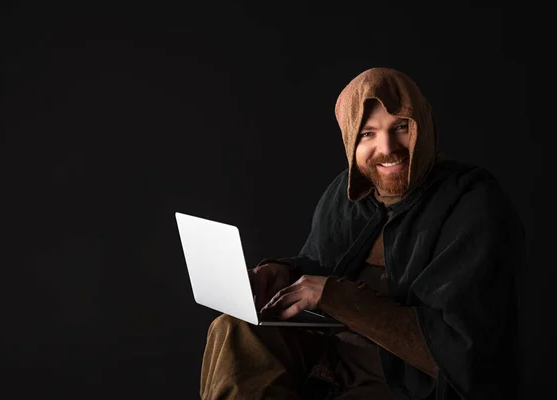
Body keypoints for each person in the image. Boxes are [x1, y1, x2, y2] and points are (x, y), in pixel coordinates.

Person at [199, 67, 525, 399]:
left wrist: (337, 296)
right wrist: (284, 273)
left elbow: (465, 353)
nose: (387, 148)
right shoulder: (345, 193)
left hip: (403, 381)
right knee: (234, 329)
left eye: (400, 127)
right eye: (367, 134)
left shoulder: (472, 203)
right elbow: (322, 267)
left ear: (423, 127)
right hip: (331, 358)